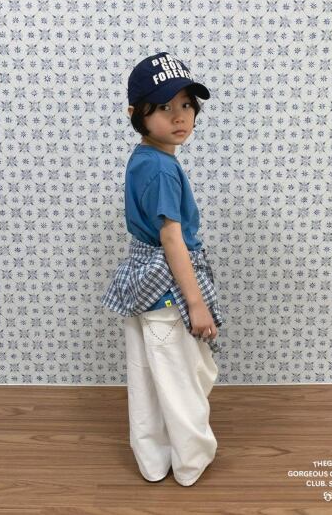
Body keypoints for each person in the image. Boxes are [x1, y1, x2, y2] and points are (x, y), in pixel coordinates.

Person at [101, 51, 224, 487]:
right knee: (182, 381)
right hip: (168, 289)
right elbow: (172, 238)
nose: (179, 116)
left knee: (148, 380)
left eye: (186, 104)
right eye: (164, 107)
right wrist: (197, 304)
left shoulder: (144, 159)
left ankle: (153, 461)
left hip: (142, 282)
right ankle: (189, 465)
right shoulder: (162, 169)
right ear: (136, 114)